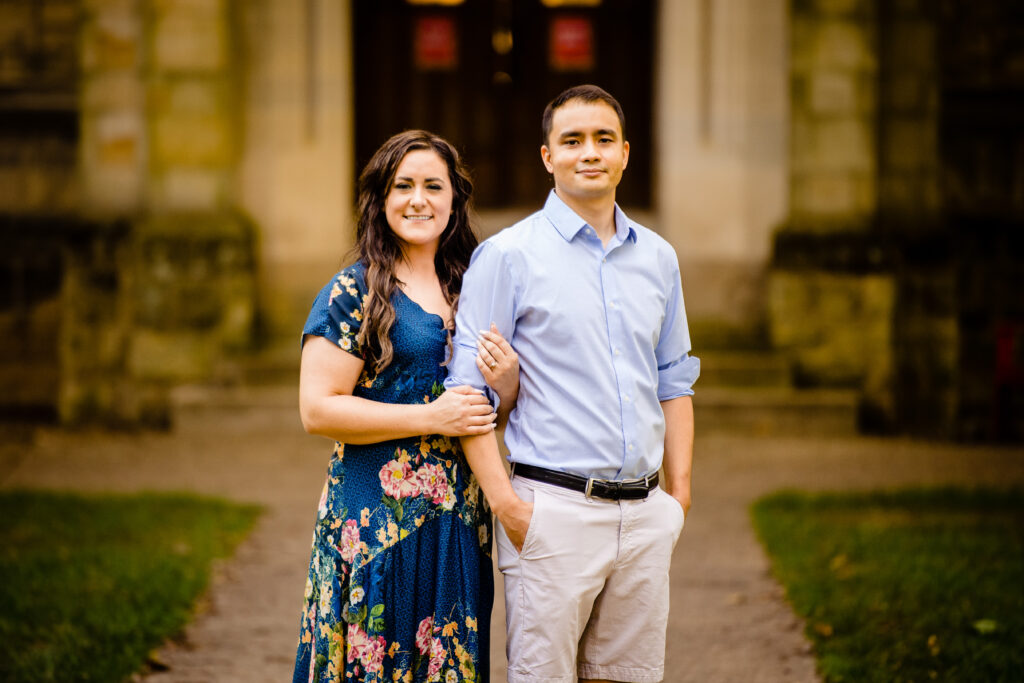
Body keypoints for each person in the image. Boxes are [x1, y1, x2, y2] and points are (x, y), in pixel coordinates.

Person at [445, 85, 700, 682]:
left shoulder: (659, 258)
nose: (590, 152)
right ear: (547, 156)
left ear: (626, 153)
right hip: (551, 512)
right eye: (573, 141)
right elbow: (467, 395)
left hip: (644, 514)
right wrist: (509, 509)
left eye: (603, 139)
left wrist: (678, 499)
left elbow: (674, 379)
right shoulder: (507, 257)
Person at [292, 129, 519, 683]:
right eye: (404, 186)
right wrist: (428, 417)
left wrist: (508, 386)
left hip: (458, 525)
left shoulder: (474, 287)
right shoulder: (355, 291)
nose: (418, 199)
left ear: (454, 200)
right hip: (376, 526)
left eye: (433, 186)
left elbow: (486, 415)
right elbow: (317, 410)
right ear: (382, 199)